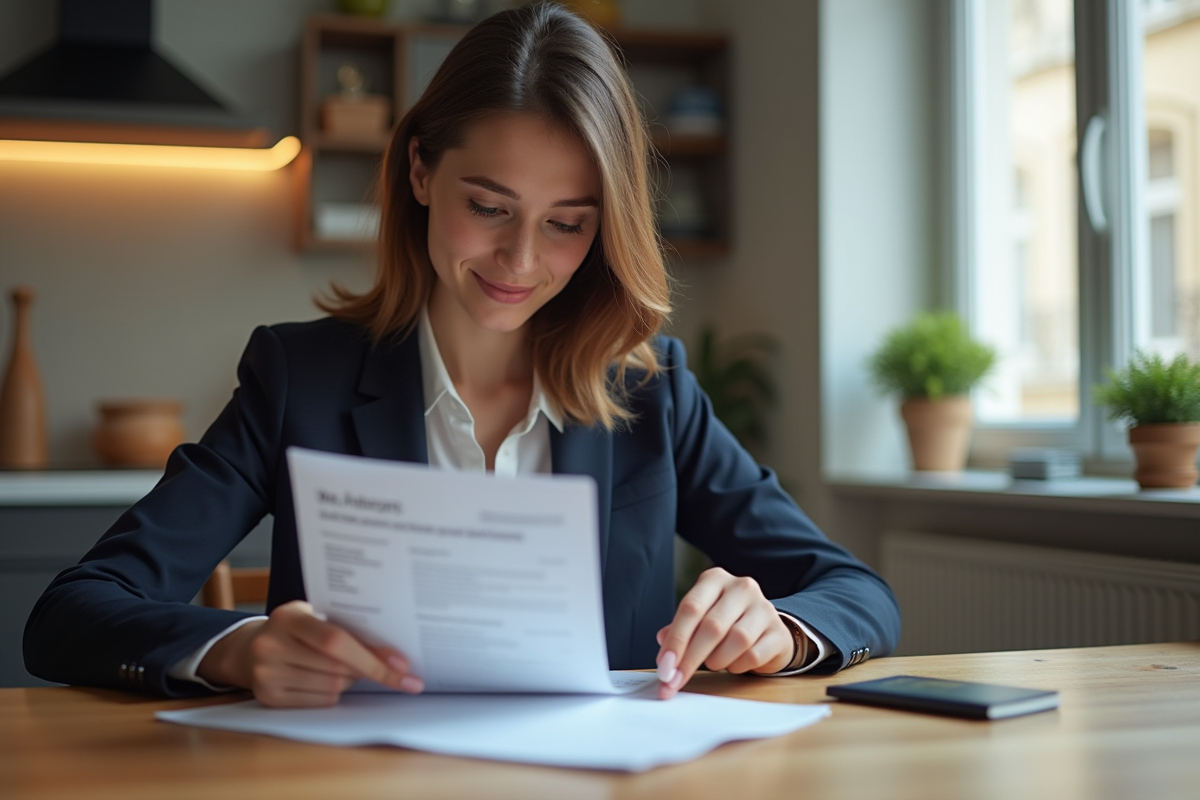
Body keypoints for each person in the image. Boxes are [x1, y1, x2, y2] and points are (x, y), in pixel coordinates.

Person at [23, 3, 900, 706]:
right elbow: (71, 613)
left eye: (566, 224)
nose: (521, 260)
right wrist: (238, 649)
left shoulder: (654, 391)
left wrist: (781, 631)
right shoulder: (299, 380)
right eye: (488, 207)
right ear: (419, 172)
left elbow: (855, 592)